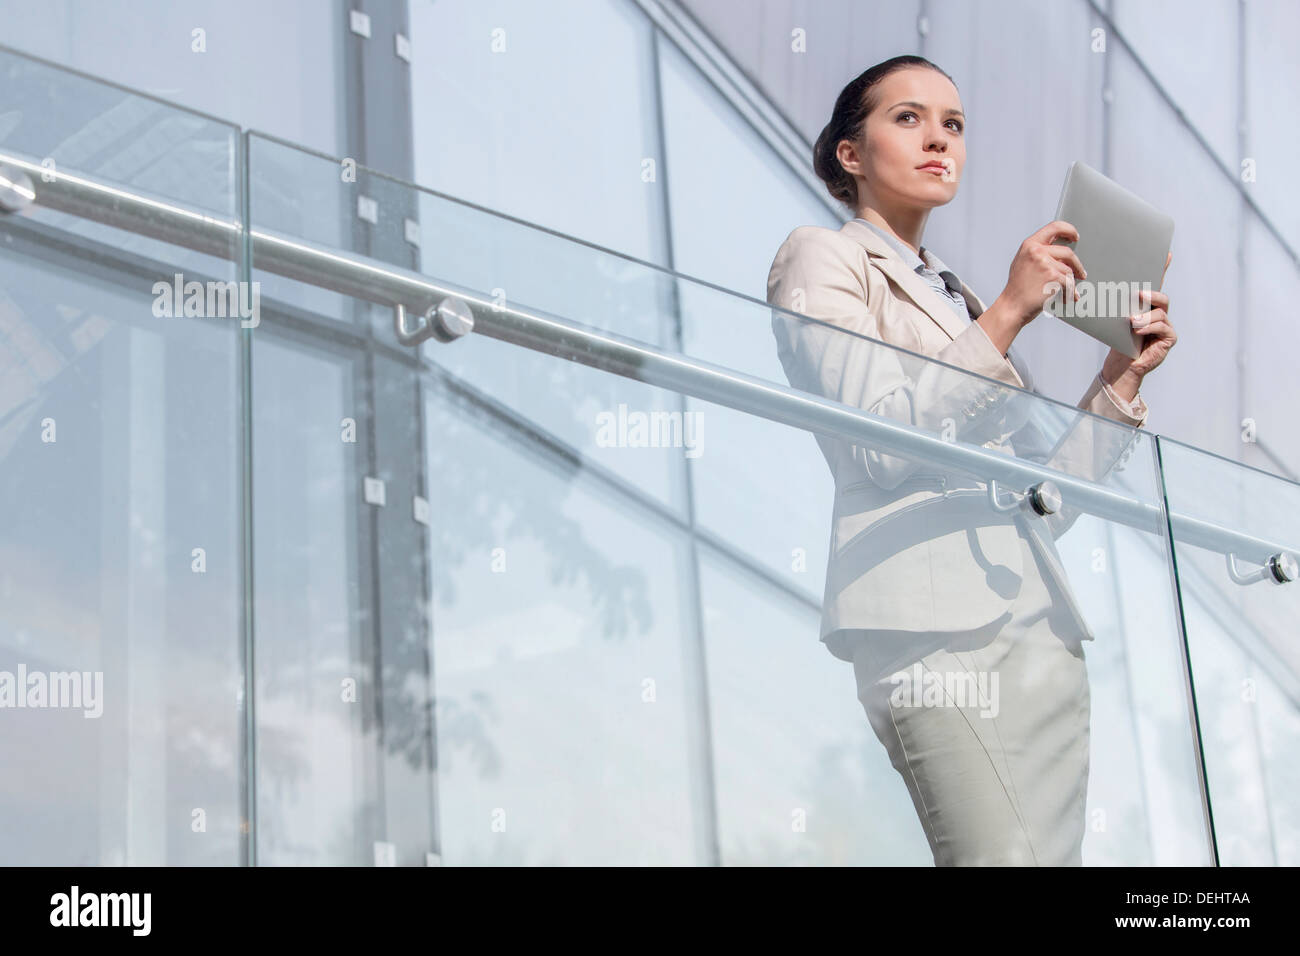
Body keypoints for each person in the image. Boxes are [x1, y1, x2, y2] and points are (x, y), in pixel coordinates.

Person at [765, 55, 1177, 866]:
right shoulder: (822, 257)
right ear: (850, 154)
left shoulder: (959, 299)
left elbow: (1050, 499)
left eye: (953, 124)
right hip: (928, 627)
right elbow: (878, 439)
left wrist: (1119, 379)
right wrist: (1012, 313)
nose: (939, 139)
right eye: (908, 118)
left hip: (1039, 633)